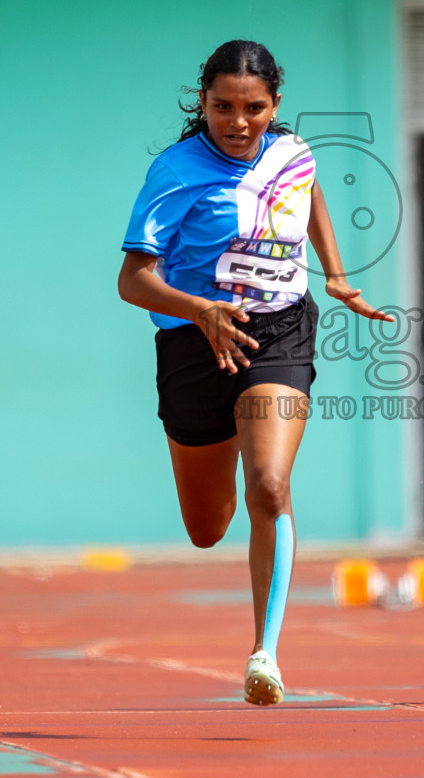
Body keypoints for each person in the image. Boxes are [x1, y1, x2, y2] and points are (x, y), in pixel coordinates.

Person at [118, 39, 392, 705]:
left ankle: (264, 653)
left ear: (275, 105)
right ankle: (222, 430)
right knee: (207, 527)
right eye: (222, 107)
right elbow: (132, 281)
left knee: (270, 485)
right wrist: (199, 310)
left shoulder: (293, 153)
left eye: (254, 108)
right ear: (203, 102)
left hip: (279, 331)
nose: (238, 123)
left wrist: (336, 274)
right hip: (193, 344)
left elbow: (311, 195)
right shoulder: (176, 171)